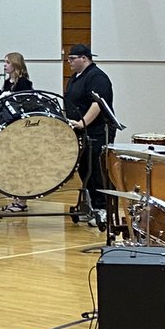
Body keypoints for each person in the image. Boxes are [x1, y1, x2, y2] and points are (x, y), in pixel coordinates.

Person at [64, 44, 114, 225]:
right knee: (84, 169)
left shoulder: (97, 77)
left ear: (84, 58)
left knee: (96, 171)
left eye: (72, 59)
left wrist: (83, 122)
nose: (69, 62)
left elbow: (97, 104)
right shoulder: (75, 78)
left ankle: (102, 209)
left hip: (97, 131)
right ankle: (91, 206)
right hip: (79, 131)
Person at [0, 53, 34, 213]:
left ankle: (22, 200)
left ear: (16, 65)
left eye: (7, 62)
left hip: (22, 128)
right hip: (10, 127)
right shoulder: (7, 83)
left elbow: (27, 104)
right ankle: (15, 199)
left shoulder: (24, 83)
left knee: (21, 164)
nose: (4, 65)